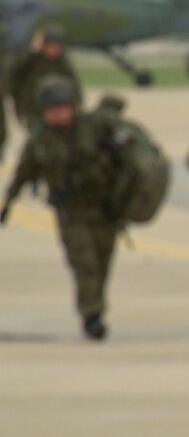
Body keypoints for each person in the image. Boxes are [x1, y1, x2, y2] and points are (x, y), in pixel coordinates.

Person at [0, 76, 123, 339]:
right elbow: (23, 172)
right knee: (84, 263)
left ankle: (95, 305)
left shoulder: (94, 128)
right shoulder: (40, 141)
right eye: (51, 110)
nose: (57, 114)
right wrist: (8, 203)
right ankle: (92, 315)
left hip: (104, 209)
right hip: (71, 212)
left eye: (62, 108)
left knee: (102, 261)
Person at [6, 23, 82, 134]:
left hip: (58, 109)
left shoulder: (63, 64)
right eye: (50, 45)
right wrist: (32, 50)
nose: (54, 49)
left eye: (57, 46)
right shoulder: (32, 60)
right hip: (33, 109)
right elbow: (14, 73)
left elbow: (74, 86)